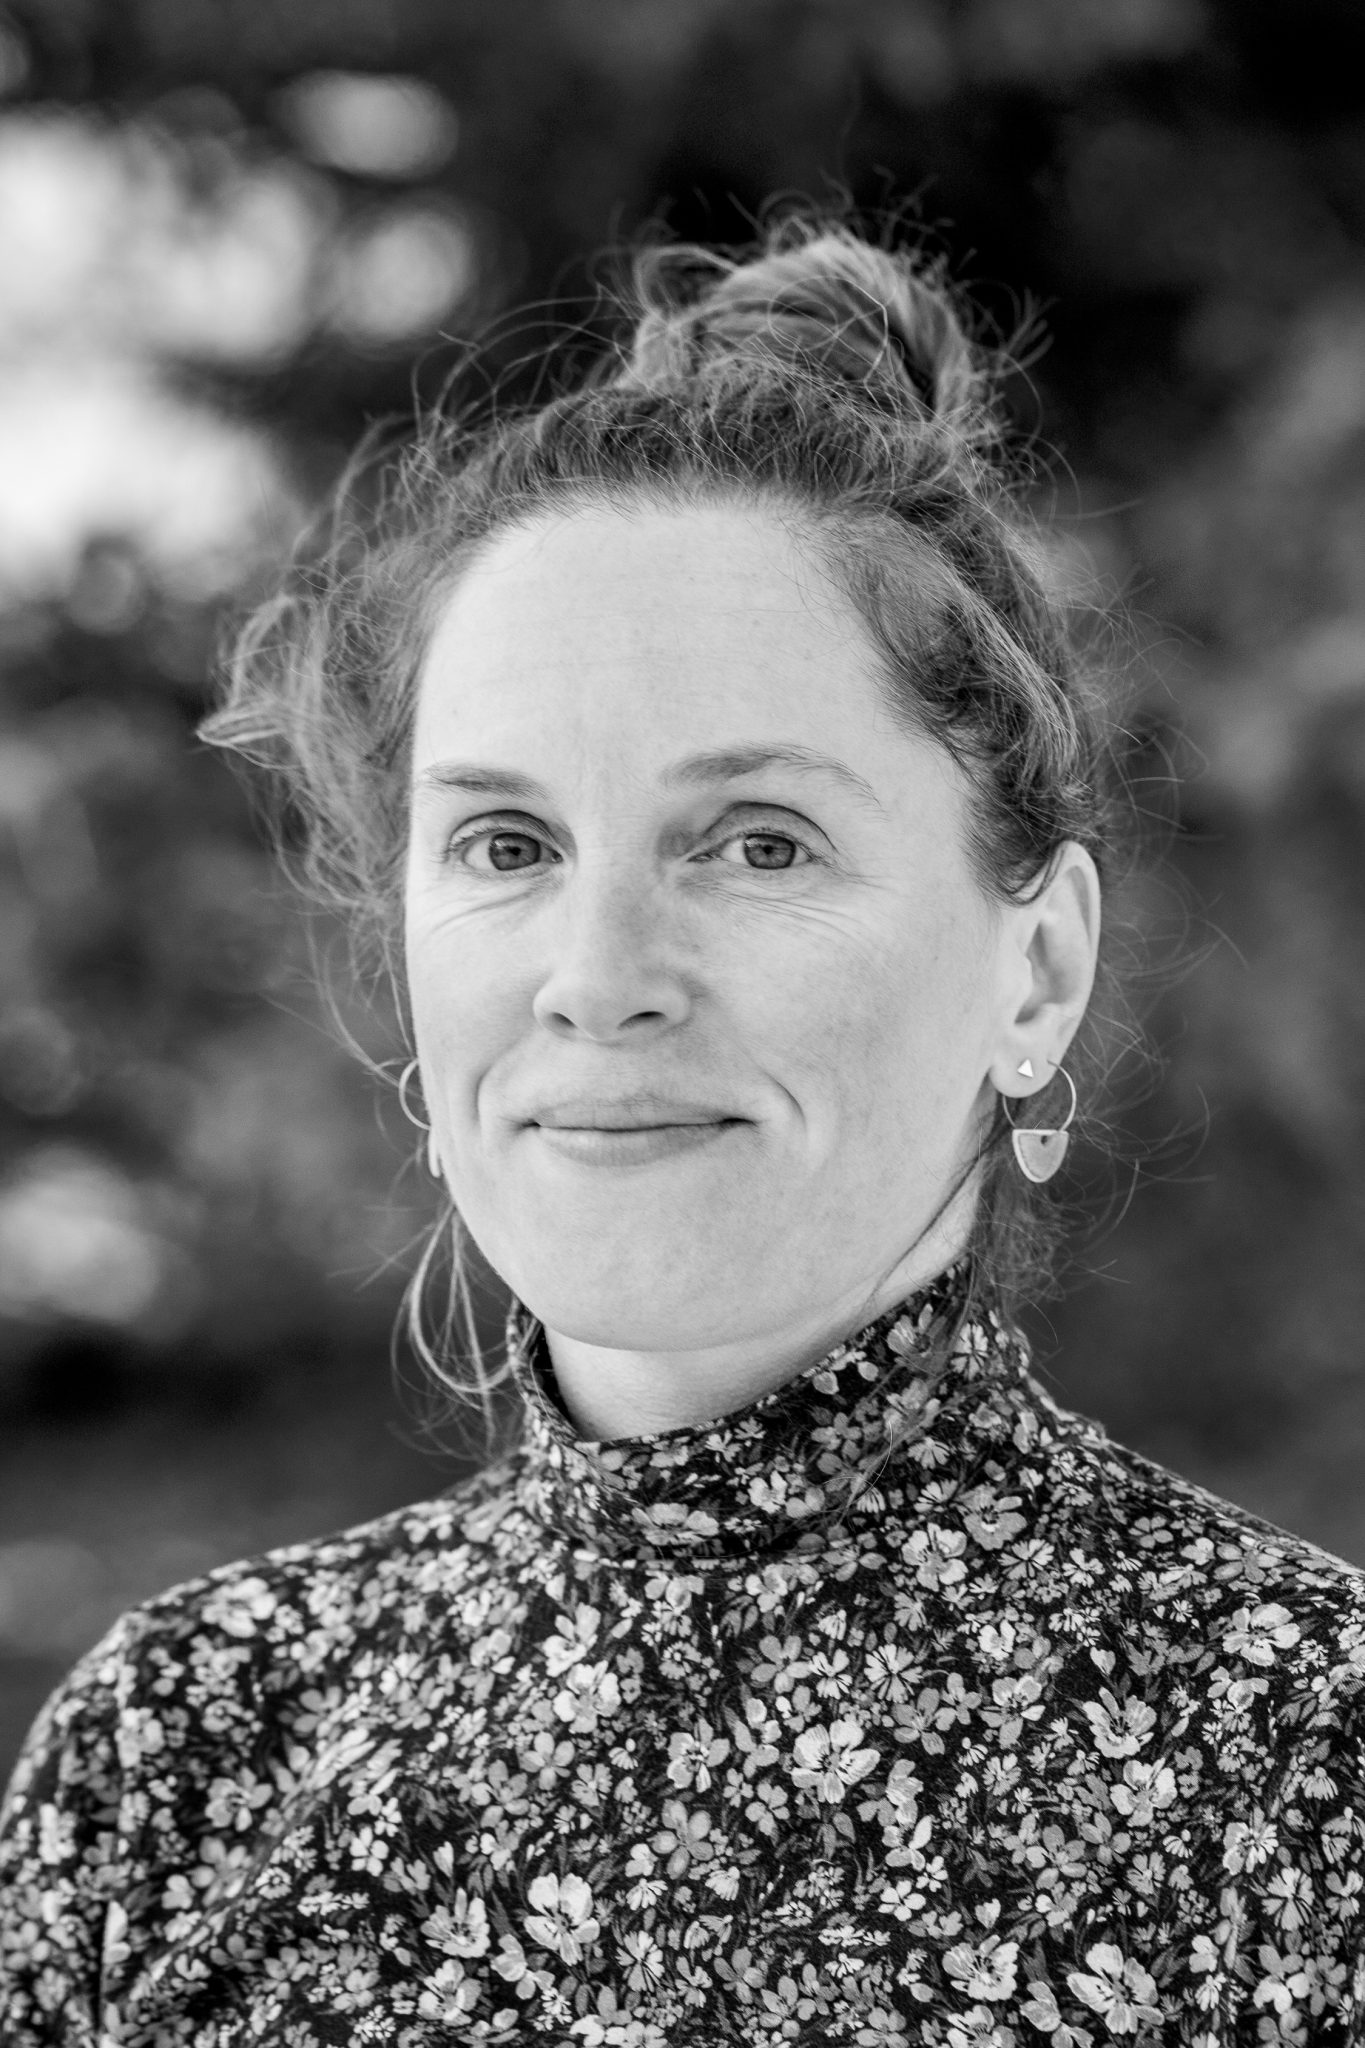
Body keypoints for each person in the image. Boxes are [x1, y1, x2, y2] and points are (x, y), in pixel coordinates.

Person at [1, 216, 1362, 2048]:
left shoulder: (1307, 1779)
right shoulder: (176, 1762)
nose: (597, 978)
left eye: (757, 842)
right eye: (505, 845)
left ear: (1033, 970)